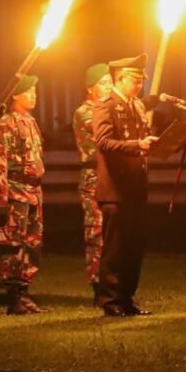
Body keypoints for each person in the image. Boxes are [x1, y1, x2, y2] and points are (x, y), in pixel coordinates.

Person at [92, 54, 159, 317]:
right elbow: (104, 143)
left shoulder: (137, 106)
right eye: (135, 79)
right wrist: (136, 146)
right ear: (120, 78)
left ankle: (127, 299)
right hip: (115, 190)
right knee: (115, 249)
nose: (139, 85)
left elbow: (142, 140)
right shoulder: (104, 106)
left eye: (141, 80)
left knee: (133, 247)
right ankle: (110, 301)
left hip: (136, 187)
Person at [0, 75, 48, 315]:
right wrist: (2, 197)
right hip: (16, 190)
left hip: (34, 191)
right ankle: (13, 295)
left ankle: (24, 291)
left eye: (35, 91)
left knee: (32, 244)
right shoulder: (7, 123)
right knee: (13, 244)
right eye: (29, 92)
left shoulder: (31, 122)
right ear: (16, 95)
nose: (34, 95)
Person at [72, 63, 113, 302]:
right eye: (104, 84)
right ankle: (98, 284)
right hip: (94, 177)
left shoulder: (108, 110)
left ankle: (113, 281)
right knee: (96, 232)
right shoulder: (86, 111)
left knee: (112, 232)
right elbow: (106, 132)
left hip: (111, 176)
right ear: (91, 88)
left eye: (110, 83)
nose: (109, 87)